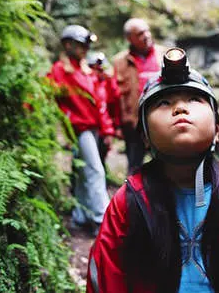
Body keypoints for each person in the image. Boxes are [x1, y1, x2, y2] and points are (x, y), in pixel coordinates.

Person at [86, 48, 219, 292]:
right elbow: (105, 281)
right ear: (145, 137)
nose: (180, 109)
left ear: (217, 130)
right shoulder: (127, 203)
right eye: (164, 103)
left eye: (194, 100)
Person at [47, 25, 112, 236]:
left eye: (87, 45)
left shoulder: (86, 71)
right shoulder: (60, 70)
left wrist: (106, 129)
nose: (85, 48)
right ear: (68, 44)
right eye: (81, 44)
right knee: (95, 170)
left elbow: (98, 101)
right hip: (78, 128)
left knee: (85, 172)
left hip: (91, 128)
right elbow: (45, 94)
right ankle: (102, 219)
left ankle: (81, 216)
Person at [112, 18, 167, 174]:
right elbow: (114, 95)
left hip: (162, 120)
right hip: (133, 124)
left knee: (167, 165)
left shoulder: (165, 54)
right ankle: (134, 197)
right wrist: (116, 125)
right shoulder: (119, 62)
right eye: (140, 33)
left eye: (147, 30)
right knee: (134, 167)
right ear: (130, 38)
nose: (147, 35)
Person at [87, 51, 121, 165]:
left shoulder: (108, 84)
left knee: (100, 156)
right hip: (88, 127)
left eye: (101, 69)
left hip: (103, 128)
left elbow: (113, 103)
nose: (98, 72)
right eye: (95, 69)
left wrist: (110, 130)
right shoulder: (87, 83)